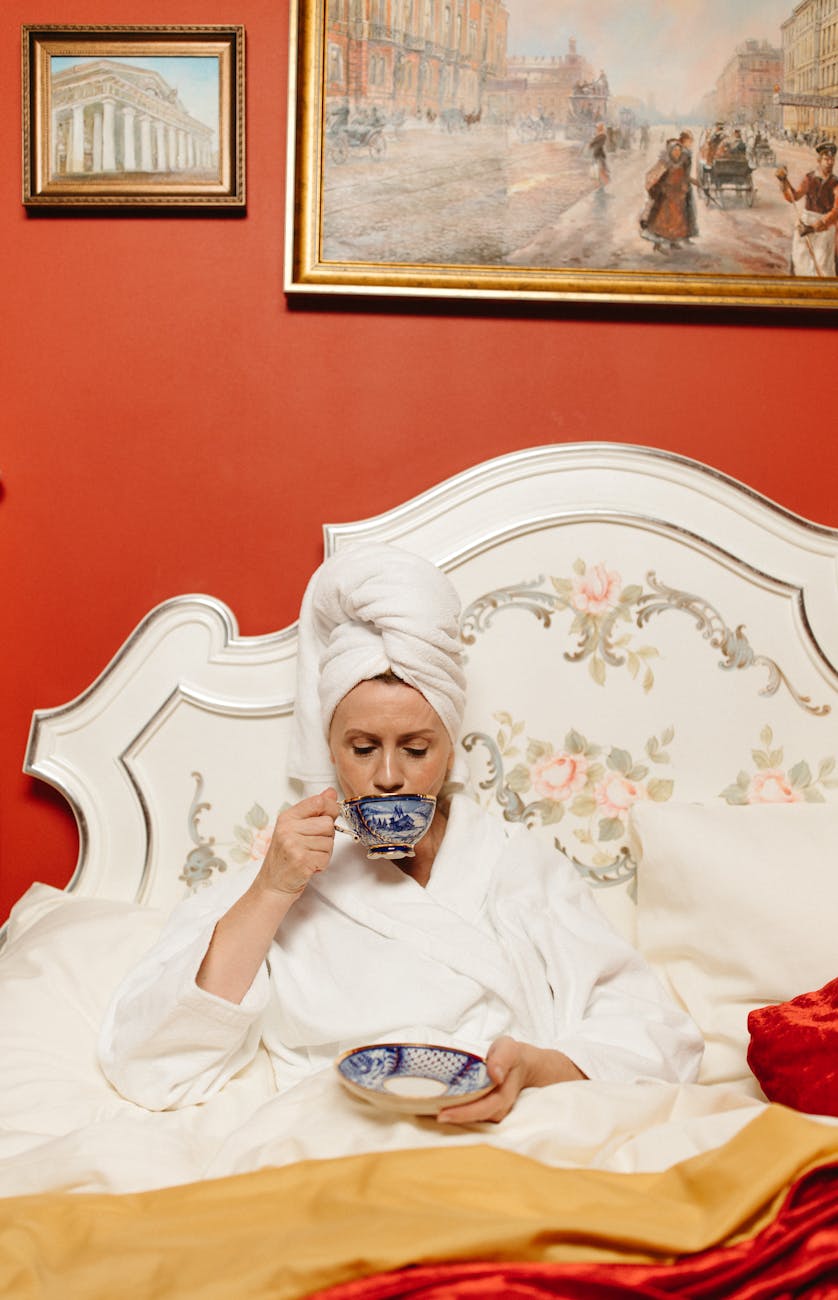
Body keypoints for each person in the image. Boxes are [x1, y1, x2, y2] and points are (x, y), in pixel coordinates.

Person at [99, 544, 703, 1123]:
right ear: (331, 749)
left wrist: (538, 1069)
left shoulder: (515, 866)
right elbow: (148, 1060)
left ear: (448, 750)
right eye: (362, 748)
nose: (388, 776)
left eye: (415, 749)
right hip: (337, 1128)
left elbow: (655, 1031)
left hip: (509, 1123)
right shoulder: (284, 878)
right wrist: (271, 891)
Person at [776, 140, 838, 277]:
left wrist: (813, 228)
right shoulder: (809, 178)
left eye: (832, 159)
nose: (830, 162)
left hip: (825, 227)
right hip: (805, 222)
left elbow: (836, 211)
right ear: (819, 160)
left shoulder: (835, 182)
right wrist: (783, 181)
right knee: (801, 259)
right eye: (826, 159)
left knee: (822, 264)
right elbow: (794, 196)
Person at [640, 137, 697, 250]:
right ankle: (658, 244)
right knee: (662, 222)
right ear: (670, 151)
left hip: (679, 198)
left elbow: (684, 177)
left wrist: (689, 184)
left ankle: (673, 241)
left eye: (679, 151)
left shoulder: (681, 163)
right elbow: (653, 176)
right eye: (675, 150)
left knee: (677, 222)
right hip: (666, 198)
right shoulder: (664, 163)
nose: (677, 153)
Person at [587, 121, 610, 189]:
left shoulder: (602, 135)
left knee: (600, 168)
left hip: (598, 153)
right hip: (598, 153)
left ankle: (604, 182)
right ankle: (602, 182)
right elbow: (593, 144)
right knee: (600, 168)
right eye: (597, 127)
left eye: (597, 127)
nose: (596, 128)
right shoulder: (600, 135)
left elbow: (594, 144)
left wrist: (592, 143)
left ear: (600, 128)